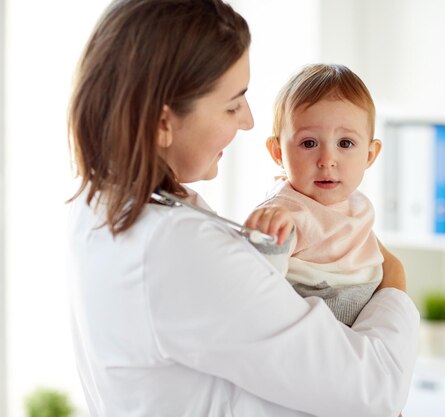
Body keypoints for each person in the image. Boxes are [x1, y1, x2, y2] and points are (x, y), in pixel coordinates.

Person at [66, 1, 419, 416]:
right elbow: (371, 390)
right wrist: (394, 281)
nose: (248, 121)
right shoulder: (178, 247)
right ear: (163, 122)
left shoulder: (102, 203)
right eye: (233, 104)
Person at [245, 64, 384, 327]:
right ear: (278, 153)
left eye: (345, 143)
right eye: (309, 143)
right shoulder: (286, 212)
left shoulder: (357, 205)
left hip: (363, 316)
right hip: (312, 325)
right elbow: (258, 288)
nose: (327, 160)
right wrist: (267, 240)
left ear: (369, 155)